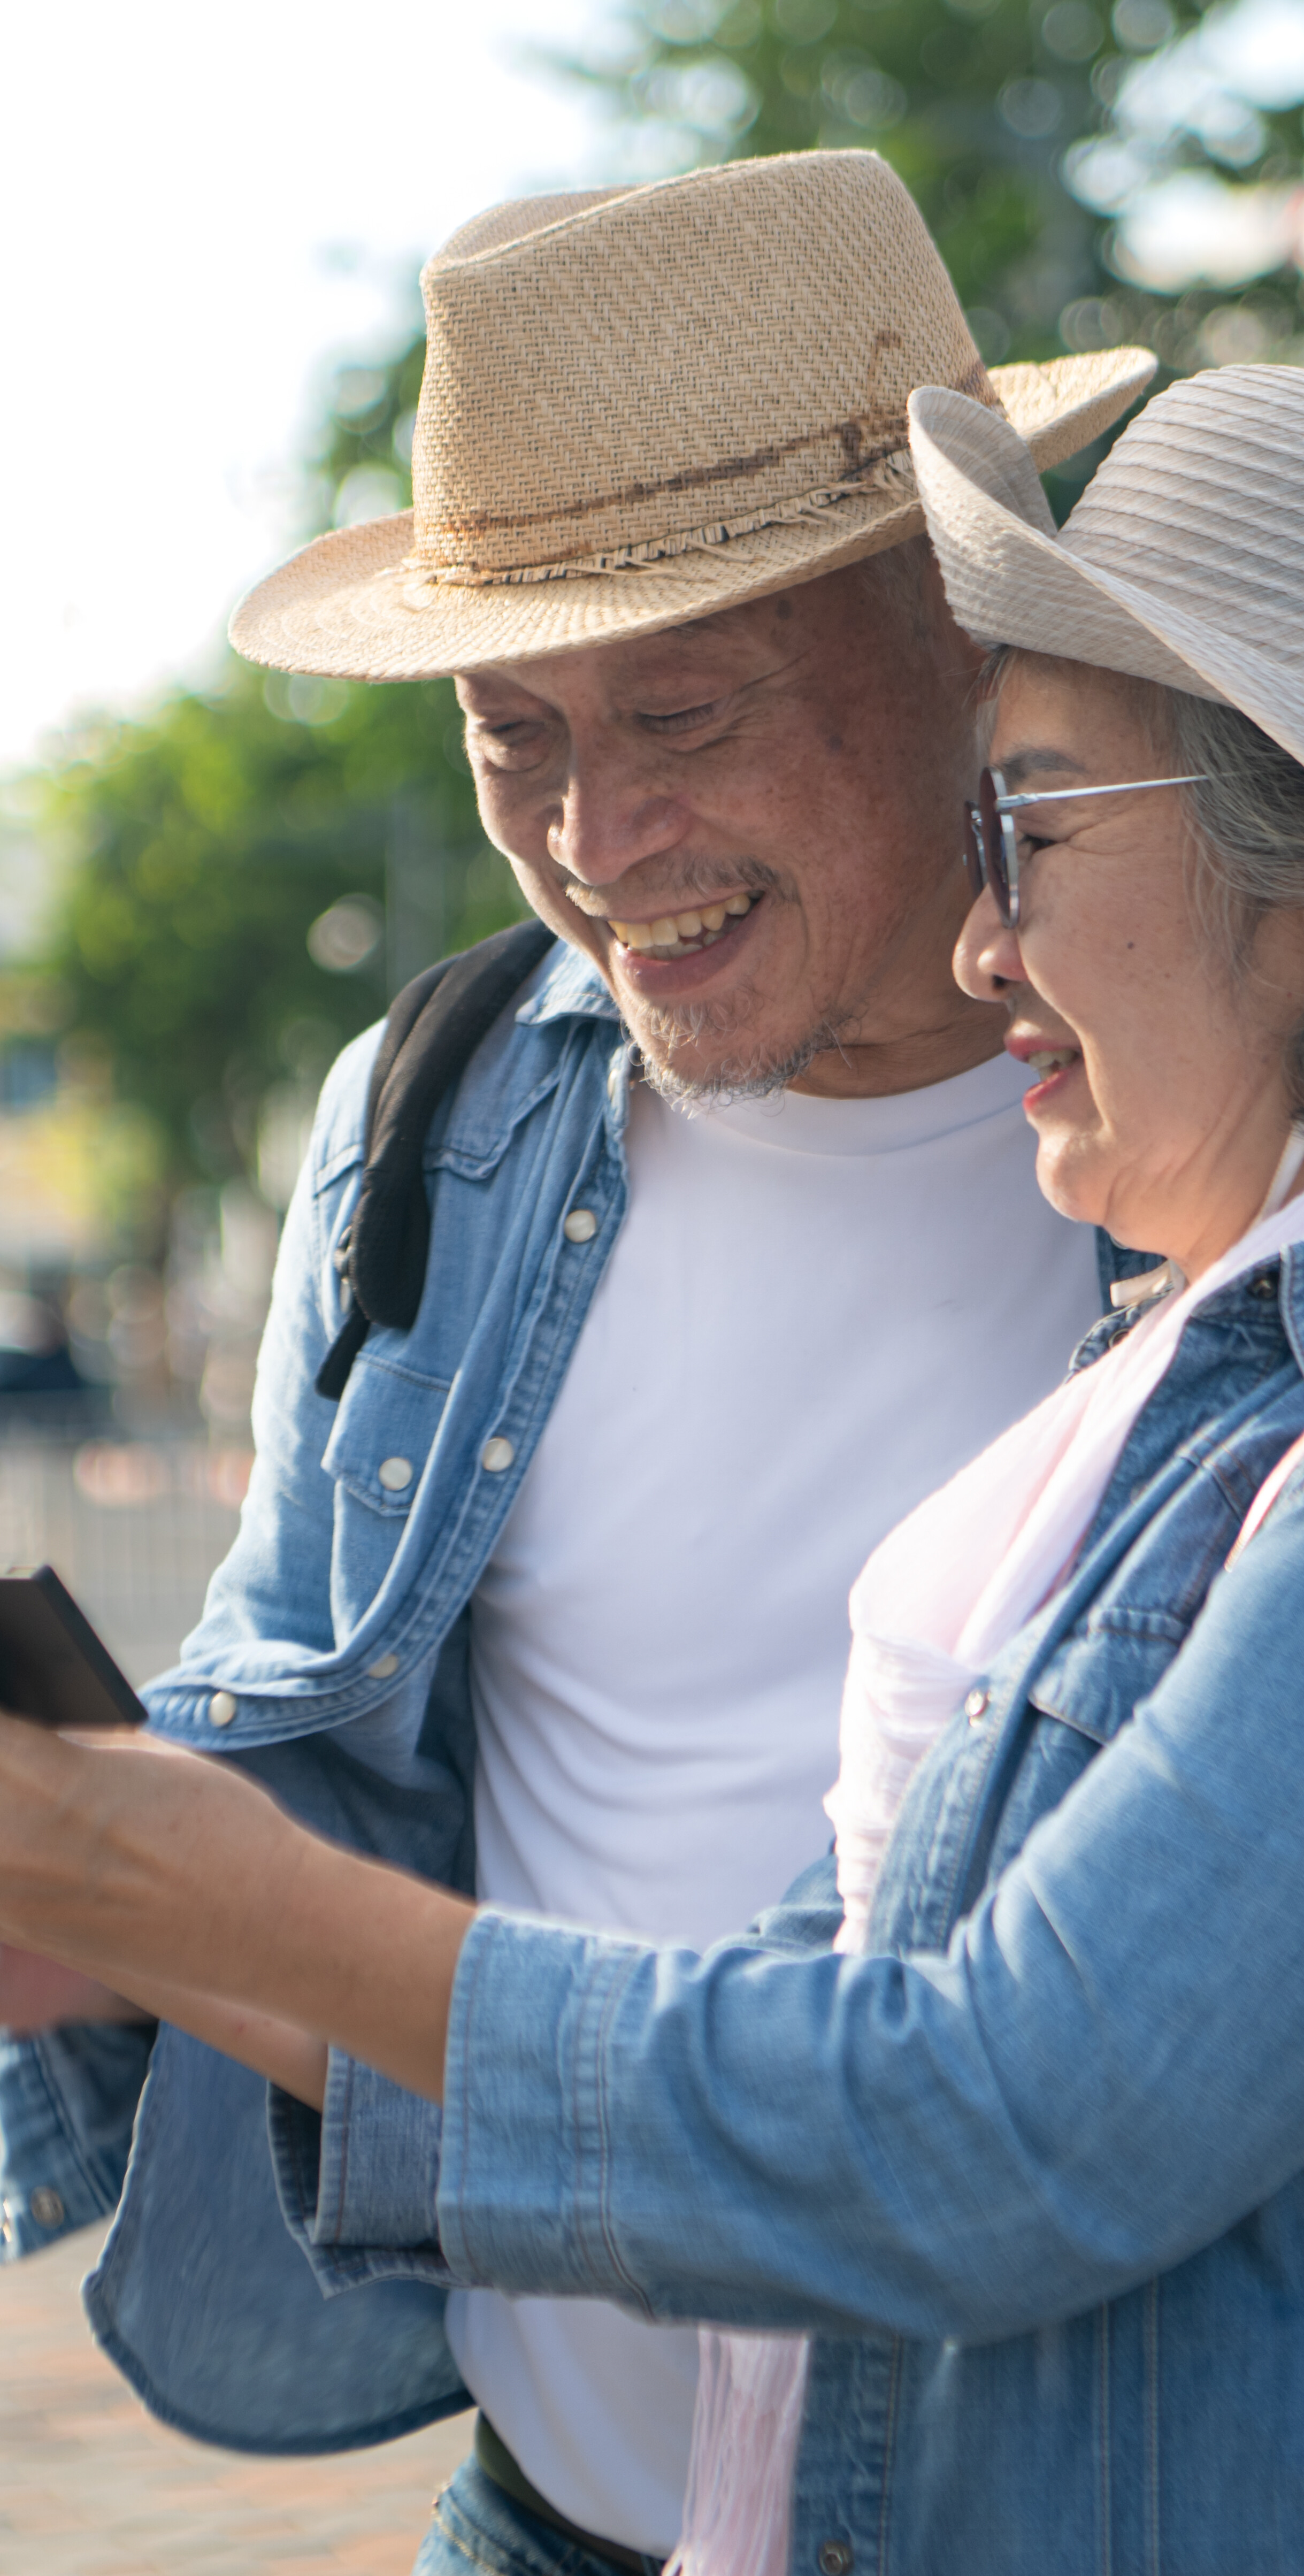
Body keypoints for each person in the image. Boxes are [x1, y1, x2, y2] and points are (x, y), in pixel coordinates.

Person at [0, 361, 1304, 2572]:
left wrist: (186, 1891)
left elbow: (994, 2123)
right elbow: (815, 2054)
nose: (976, 934)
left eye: (1027, 825)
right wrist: (115, 1881)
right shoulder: (1231, 1367)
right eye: (513, 729)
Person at [0, 150, 1155, 2576]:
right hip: (550, 2517)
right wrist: (100, 1904)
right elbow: (309, 1737)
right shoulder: (440, 1108)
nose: (598, 838)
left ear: (963, 623)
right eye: (510, 734)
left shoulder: (1227, 1131)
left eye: (685, 711)